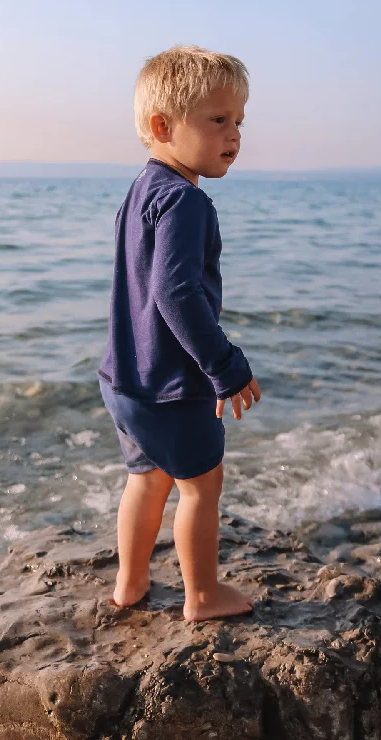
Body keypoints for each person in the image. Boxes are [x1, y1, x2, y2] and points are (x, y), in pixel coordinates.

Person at [98, 45, 261, 621]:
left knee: (146, 478)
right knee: (199, 487)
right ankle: (202, 595)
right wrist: (225, 365)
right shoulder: (189, 203)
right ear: (163, 126)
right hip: (172, 386)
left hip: (124, 379)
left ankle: (131, 583)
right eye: (218, 120)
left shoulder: (140, 190)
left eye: (239, 120)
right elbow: (176, 294)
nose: (234, 135)